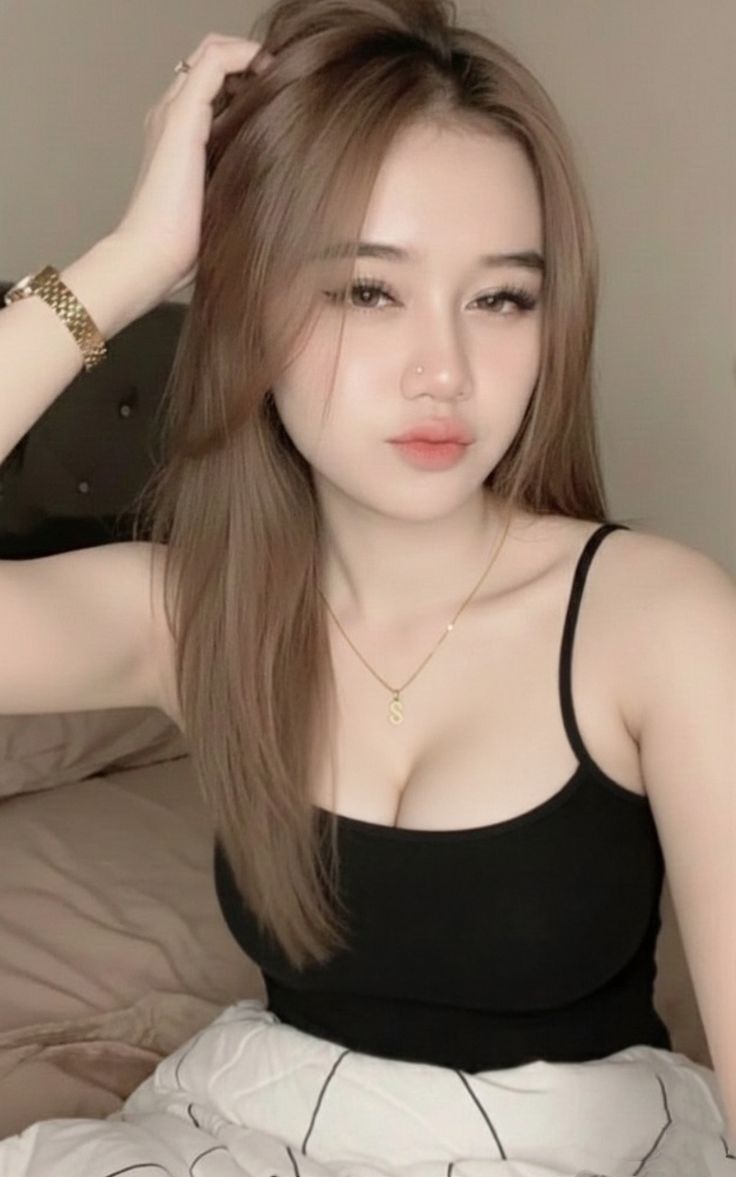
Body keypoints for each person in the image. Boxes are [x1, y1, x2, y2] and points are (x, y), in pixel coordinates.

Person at [0, 1, 734, 1172]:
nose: (445, 371)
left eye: (500, 298)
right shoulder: (195, 615)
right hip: (264, 1123)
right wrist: (131, 262)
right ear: (250, 305)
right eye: (365, 290)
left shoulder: (657, 621)